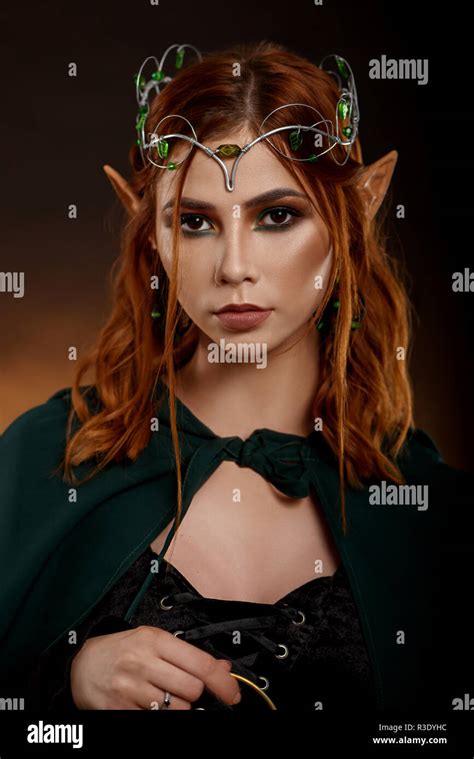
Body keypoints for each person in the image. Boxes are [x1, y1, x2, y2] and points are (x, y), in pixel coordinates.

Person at [0, 40, 472, 713]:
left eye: (278, 215)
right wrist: (63, 685)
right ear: (150, 228)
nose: (233, 265)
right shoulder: (42, 465)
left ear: (359, 208)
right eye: (194, 221)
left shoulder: (432, 517)